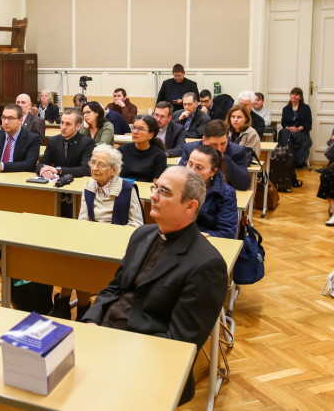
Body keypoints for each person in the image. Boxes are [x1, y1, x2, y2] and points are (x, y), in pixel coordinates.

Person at [81, 166, 228, 405]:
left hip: (145, 362)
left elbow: (180, 343)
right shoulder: (143, 234)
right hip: (102, 337)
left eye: (165, 191)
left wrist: (118, 348)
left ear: (190, 206)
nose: (153, 196)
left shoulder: (207, 264)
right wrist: (91, 321)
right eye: (155, 188)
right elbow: (114, 288)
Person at [48, 144, 144, 321]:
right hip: (92, 240)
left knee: (80, 263)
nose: (95, 168)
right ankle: (77, 307)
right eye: (93, 162)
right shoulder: (89, 186)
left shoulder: (127, 189)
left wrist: (108, 234)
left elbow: (137, 225)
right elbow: (83, 220)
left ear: (113, 170)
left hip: (118, 244)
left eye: (101, 164)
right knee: (72, 257)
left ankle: (68, 305)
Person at [179, 120, 252, 191]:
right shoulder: (191, 149)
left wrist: (225, 159)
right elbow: (179, 177)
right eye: (214, 145)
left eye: (223, 143)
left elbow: (244, 185)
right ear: (204, 140)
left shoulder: (237, 151)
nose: (219, 149)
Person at [184, 146, 238, 239]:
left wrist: (191, 236)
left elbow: (226, 233)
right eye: (190, 164)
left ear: (213, 172)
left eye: (199, 168)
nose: (191, 171)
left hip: (207, 242)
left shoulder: (226, 193)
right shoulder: (177, 185)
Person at [0, 104, 41, 173]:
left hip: (17, 176)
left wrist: (1, 166)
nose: (5, 122)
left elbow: (29, 164)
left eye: (10, 118)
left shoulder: (32, 139)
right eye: (3, 118)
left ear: (20, 120)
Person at [37, 109, 95, 180]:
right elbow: (42, 163)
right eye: (62, 123)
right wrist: (44, 171)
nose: (63, 127)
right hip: (56, 182)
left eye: (68, 124)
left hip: (78, 183)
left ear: (78, 126)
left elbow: (86, 169)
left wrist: (58, 170)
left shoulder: (88, 143)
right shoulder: (53, 141)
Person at [118, 115, 167, 183]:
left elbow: (156, 184)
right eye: (133, 128)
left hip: (146, 189)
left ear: (151, 135)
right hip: (124, 187)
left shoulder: (159, 156)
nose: (135, 132)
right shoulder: (122, 150)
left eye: (140, 129)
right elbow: (114, 177)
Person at [278, 87, 313, 169]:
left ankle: (295, 162)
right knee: (284, 133)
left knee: (290, 136)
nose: (294, 96)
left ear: (300, 97)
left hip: (301, 132)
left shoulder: (306, 108)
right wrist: (289, 128)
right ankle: (287, 159)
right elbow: (283, 123)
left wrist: (298, 128)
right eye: (292, 94)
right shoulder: (286, 109)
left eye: (297, 94)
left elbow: (308, 123)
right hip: (288, 131)